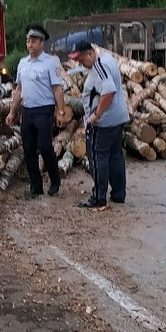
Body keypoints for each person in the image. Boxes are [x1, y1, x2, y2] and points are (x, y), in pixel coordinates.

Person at [5, 23, 66, 197]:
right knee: (29, 149)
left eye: (33, 41)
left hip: (44, 110)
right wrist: (12, 111)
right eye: (28, 41)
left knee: (45, 147)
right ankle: (35, 186)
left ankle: (55, 180)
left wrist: (60, 112)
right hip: (28, 110)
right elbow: (19, 89)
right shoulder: (23, 63)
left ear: (41, 43)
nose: (29, 45)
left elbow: (57, 89)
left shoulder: (50, 63)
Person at [69, 39, 129, 210]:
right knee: (115, 155)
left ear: (90, 53)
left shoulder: (99, 66)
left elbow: (109, 90)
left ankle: (98, 197)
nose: (80, 63)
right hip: (117, 118)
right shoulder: (106, 59)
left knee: (97, 156)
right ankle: (118, 194)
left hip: (104, 122)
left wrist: (96, 115)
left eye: (81, 59)